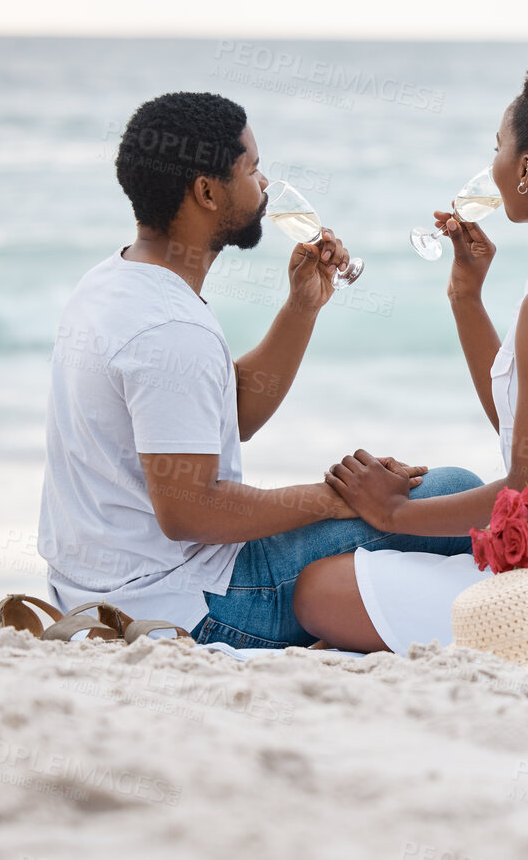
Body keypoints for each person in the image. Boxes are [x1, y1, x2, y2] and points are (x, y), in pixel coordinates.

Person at [37, 91, 481, 649]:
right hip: (188, 604)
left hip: (94, 587)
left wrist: (302, 307)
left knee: (434, 502)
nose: (265, 184)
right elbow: (189, 510)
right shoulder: (172, 329)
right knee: (457, 494)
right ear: (206, 191)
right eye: (251, 168)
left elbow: (229, 416)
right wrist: (338, 498)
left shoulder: (112, 281)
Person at [292, 38, 528, 653]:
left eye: (498, 148)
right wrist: (466, 298)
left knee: (317, 591)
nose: (494, 164)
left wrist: (391, 514)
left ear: (525, 169)